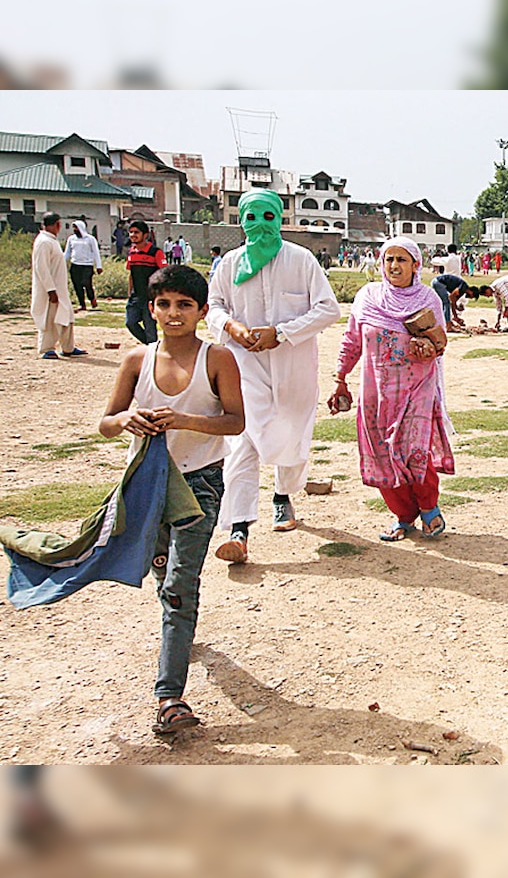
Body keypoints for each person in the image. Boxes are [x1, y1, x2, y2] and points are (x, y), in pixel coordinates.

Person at [99, 264, 245, 734]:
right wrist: (127, 421)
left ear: (202, 311)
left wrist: (183, 419)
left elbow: (234, 422)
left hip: (199, 484)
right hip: (146, 484)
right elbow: (107, 421)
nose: (173, 313)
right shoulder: (136, 362)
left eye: (184, 305)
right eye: (164, 304)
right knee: (163, 574)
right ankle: (177, 635)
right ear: (151, 308)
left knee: (182, 585)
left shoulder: (217, 359)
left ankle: (169, 697)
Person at [206, 189, 340, 563]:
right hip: (244, 365)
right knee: (242, 440)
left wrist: (280, 332)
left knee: (291, 433)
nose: (259, 225)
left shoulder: (301, 259)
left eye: (268, 217)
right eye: (252, 217)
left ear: (279, 218)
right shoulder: (230, 264)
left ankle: (283, 496)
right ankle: (239, 529)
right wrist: (231, 326)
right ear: (241, 221)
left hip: (293, 365)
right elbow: (214, 305)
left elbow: (328, 309)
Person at [329, 238, 455, 541]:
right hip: (376, 392)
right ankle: (402, 515)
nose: (395, 266)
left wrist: (427, 346)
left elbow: (440, 344)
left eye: (402, 259)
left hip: (416, 389)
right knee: (382, 452)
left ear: (416, 265)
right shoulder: (368, 297)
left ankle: (429, 509)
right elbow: (352, 341)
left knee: (414, 450)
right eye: (389, 259)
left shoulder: (427, 299)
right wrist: (340, 377)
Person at [30, 212, 85, 360]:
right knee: (49, 319)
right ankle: (46, 348)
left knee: (66, 315)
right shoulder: (43, 242)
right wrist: (50, 290)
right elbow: (42, 268)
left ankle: (68, 347)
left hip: (59, 287)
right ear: (57, 224)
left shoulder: (52, 241)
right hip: (50, 289)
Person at [125, 220, 166, 344]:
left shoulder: (155, 253)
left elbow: (164, 273)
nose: (133, 235)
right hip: (136, 296)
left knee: (150, 327)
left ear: (145, 235)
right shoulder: (132, 252)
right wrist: (129, 291)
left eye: (136, 232)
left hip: (150, 296)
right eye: (131, 232)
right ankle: (153, 346)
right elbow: (131, 274)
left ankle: (152, 352)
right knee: (130, 323)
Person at [63, 220, 101, 311]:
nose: (75, 230)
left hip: (87, 265)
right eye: (74, 228)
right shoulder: (71, 239)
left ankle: (92, 299)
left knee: (86, 283)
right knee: (77, 285)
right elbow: (67, 252)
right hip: (75, 265)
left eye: (76, 227)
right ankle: (82, 304)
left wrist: (99, 266)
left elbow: (96, 253)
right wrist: (61, 263)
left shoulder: (90, 239)